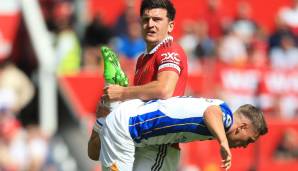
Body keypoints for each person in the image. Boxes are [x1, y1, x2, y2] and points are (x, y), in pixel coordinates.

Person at [88, 0, 188, 170]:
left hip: (159, 145)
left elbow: (164, 89)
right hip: (142, 143)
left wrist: (122, 93)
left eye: (157, 20)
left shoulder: (170, 50)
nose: (150, 24)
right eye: (146, 19)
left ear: (170, 26)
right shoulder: (142, 59)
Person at [88, 96, 268, 171]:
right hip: (128, 129)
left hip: (131, 118)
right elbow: (211, 113)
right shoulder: (226, 117)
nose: (245, 145)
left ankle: (102, 122)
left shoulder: (222, 107)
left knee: (93, 154)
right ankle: (105, 120)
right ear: (242, 127)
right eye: (249, 140)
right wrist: (223, 143)